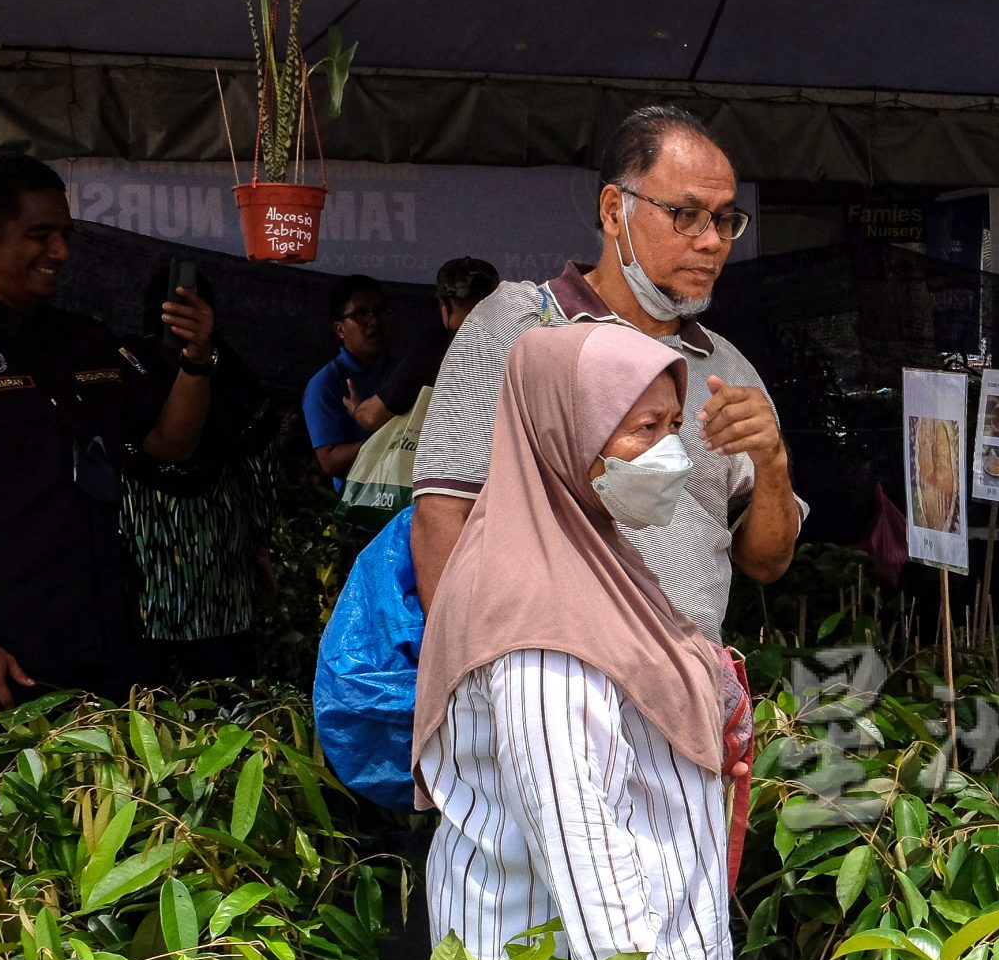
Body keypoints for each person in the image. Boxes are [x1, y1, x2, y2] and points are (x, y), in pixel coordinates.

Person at [415, 320, 736, 960]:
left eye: (671, 426)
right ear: (569, 431)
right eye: (644, 429)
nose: (668, 453)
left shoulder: (581, 557)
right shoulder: (537, 614)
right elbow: (580, 827)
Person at [409, 106, 799, 637]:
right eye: (686, 213)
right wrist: (471, 680)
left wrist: (772, 462)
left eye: (725, 218)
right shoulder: (520, 326)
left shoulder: (728, 370)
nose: (712, 241)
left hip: (690, 691)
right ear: (614, 211)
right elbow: (442, 514)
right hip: (549, 691)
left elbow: (767, 564)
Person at [0, 151, 217, 713]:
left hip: (110, 643)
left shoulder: (87, 339)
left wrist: (198, 360)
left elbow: (170, 445)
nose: (60, 252)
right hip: (6, 658)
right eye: (40, 235)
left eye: (65, 234)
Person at [119, 264, 280, 683]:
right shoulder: (221, 368)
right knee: (222, 706)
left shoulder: (128, 363)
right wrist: (260, 546)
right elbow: (255, 463)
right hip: (207, 582)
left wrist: (259, 546)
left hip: (154, 584)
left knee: (145, 715)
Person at [355, 255, 499, 431]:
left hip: (450, 456)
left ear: (443, 304)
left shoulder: (434, 347)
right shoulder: (520, 343)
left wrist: (356, 409)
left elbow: (373, 417)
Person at [304, 274, 390, 483]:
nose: (374, 321)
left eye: (379, 312)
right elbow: (330, 461)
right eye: (360, 314)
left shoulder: (405, 370)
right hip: (362, 503)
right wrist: (391, 436)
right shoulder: (325, 384)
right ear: (340, 329)